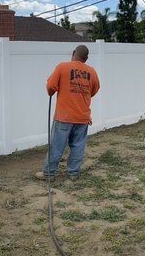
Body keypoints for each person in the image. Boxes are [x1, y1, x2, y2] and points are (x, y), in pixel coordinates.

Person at [35, 45, 100, 182]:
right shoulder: (92, 72)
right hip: (82, 117)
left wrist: (53, 89)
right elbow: (93, 90)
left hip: (64, 117)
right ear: (86, 58)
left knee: (56, 146)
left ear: (73, 53)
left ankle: (49, 174)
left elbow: (51, 87)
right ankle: (73, 173)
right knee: (78, 146)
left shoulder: (62, 67)